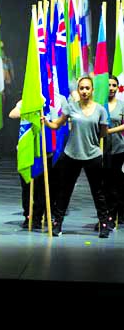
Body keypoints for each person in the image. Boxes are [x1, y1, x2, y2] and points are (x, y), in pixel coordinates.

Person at [43, 76, 109, 238]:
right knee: (64, 191)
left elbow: (103, 133)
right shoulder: (71, 107)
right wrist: (46, 121)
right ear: (78, 90)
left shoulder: (100, 110)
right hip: (72, 154)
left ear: (92, 90)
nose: (85, 91)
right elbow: (56, 124)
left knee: (98, 192)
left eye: (87, 88)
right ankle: (57, 223)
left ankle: (104, 224)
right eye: (82, 88)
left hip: (92, 155)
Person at [104, 75, 124, 229]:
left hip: (118, 148)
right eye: (108, 85)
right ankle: (107, 214)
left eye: (114, 85)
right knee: (106, 183)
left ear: (117, 88)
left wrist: (109, 131)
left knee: (117, 183)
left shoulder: (122, 105)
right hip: (102, 149)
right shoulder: (100, 105)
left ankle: (118, 214)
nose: (111, 88)